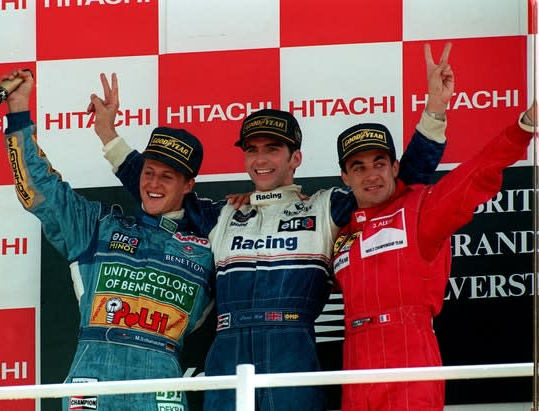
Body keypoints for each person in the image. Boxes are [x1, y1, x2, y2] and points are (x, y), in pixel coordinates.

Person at [95, 42, 450, 411]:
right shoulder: (221, 214)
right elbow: (159, 187)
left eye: (273, 149)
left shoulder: (326, 207)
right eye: (252, 150)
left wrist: (434, 114)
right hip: (227, 347)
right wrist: (109, 136)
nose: (261, 159)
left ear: (295, 157)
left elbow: (395, 187)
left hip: (292, 348)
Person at [332, 45, 536, 410]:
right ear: (345, 177)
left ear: (395, 167)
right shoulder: (338, 226)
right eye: (358, 167)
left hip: (409, 350)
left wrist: (524, 127)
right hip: (354, 358)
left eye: (379, 163)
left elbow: (476, 174)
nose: (370, 175)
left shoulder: (421, 209)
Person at [1, 69, 215, 411]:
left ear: (188, 185)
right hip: (92, 380)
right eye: (147, 172)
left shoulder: (211, 242)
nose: (153, 184)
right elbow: (37, 188)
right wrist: (18, 109)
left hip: (161, 389)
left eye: (167, 176)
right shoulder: (97, 227)